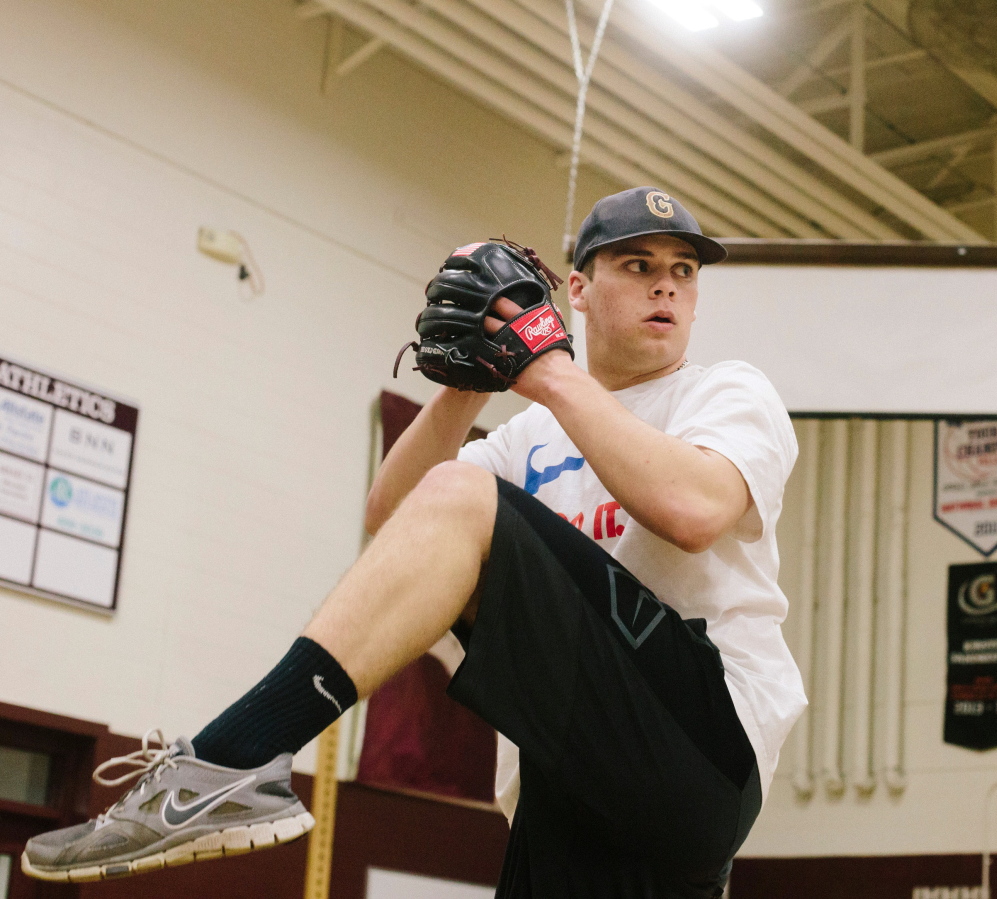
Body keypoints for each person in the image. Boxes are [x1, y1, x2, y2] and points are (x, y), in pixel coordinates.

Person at [23, 186, 806, 898]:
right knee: (455, 497)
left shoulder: (726, 391)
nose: (665, 283)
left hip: (700, 744)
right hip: (569, 789)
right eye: (637, 265)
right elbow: (397, 518)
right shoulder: (531, 431)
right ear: (579, 288)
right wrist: (467, 381)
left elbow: (693, 508)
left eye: (683, 270)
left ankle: (228, 763)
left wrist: (548, 365)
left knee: (470, 498)